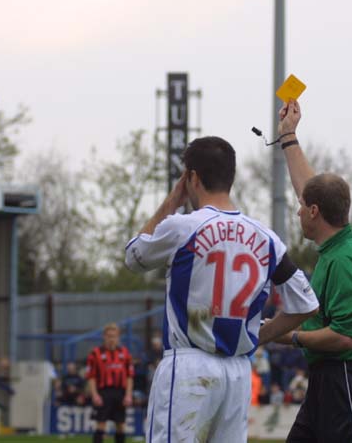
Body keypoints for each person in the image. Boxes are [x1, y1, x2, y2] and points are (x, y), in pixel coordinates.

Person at [125, 136, 319, 443]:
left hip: (189, 366)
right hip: (238, 372)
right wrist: (260, 335)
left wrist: (171, 202)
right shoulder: (267, 238)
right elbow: (306, 304)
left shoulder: (183, 227)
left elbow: (134, 256)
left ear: (192, 178)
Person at [266, 99, 352, 443]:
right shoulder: (342, 242)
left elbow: (346, 337)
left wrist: (285, 335)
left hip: (347, 381)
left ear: (315, 212)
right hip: (330, 380)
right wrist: (289, 136)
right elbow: (309, 187)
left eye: (303, 207)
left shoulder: (344, 259)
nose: (298, 211)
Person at [86, 323, 134, 443]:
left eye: (114, 336)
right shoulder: (95, 353)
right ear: (104, 336)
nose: (111, 339)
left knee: (121, 425)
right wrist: (95, 395)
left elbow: (129, 376)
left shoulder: (125, 353)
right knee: (101, 424)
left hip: (120, 392)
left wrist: (128, 395)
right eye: (109, 336)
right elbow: (91, 376)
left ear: (118, 337)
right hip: (103, 392)